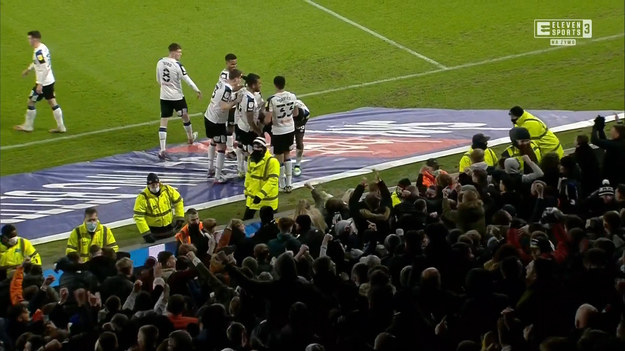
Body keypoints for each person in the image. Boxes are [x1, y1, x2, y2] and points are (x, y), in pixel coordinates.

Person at [155, 43, 202, 160]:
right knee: (185, 116)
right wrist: (197, 90)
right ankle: (190, 138)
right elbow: (187, 79)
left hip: (164, 97)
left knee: (163, 121)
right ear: (174, 52)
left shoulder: (160, 62)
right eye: (179, 52)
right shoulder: (177, 65)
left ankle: (162, 149)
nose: (180, 54)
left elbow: (158, 79)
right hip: (177, 97)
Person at [14, 30, 66, 133]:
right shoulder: (42, 47)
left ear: (35, 39)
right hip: (50, 81)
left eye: (30, 39)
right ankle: (61, 127)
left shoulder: (38, 52)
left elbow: (45, 67)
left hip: (43, 83)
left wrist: (40, 84)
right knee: (52, 101)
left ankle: (28, 126)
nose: (28, 41)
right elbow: (37, 63)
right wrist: (29, 69)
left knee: (31, 101)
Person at [205, 69, 243, 183]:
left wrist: (240, 88)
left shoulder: (222, 83)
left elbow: (230, 90)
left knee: (213, 141)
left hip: (209, 116)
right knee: (222, 148)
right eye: (239, 78)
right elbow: (223, 106)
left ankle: (210, 168)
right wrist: (236, 101)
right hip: (217, 121)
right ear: (235, 79)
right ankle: (217, 177)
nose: (240, 80)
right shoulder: (227, 89)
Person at [264, 76, 299, 193]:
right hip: (290, 129)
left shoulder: (272, 100)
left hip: (278, 131)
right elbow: (296, 113)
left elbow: (268, 120)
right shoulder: (292, 96)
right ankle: (289, 183)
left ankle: (282, 184)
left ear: (275, 85)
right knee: (287, 154)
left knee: (279, 158)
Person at [133, 173, 184, 243]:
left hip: (170, 229)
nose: (154, 186)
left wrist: (180, 217)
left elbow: (178, 201)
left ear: (159, 183)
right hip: (154, 233)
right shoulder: (142, 197)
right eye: (152, 184)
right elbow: (138, 217)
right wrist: (146, 233)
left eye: (156, 183)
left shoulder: (168, 190)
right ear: (148, 185)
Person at [243, 137, 280, 220]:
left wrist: (261, 195)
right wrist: (246, 190)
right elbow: (248, 176)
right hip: (253, 197)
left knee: (271, 223)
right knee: (246, 220)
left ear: (264, 149)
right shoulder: (251, 159)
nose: (256, 152)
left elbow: (273, 181)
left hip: (268, 199)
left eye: (258, 149)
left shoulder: (272, 161)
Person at [235, 73, 264, 178]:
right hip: (247, 129)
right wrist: (257, 130)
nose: (260, 85)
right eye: (259, 84)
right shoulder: (251, 99)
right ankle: (250, 175)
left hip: (240, 124)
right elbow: (250, 119)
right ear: (253, 85)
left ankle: (240, 170)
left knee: (241, 147)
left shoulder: (243, 92)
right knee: (250, 152)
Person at [590, 115, 625, 187]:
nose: (610, 133)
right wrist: (600, 130)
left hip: (614, 178)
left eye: (612, 131)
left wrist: (595, 127)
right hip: (617, 176)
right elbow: (605, 142)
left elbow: (595, 140)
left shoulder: (617, 145)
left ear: (617, 133)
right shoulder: (620, 143)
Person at [219, 53, 240, 161]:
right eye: (232, 64)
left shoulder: (233, 73)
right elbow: (227, 89)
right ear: (227, 63)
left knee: (235, 123)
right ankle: (230, 150)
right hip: (228, 103)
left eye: (235, 64)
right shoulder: (224, 75)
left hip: (233, 102)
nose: (234, 66)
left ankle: (232, 144)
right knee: (230, 125)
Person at [293, 99, 311, 177]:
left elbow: (303, 122)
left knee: (299, 142)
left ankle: (297, 164)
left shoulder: (306, 113)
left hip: (297, 121)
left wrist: (297, 126)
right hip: (287, 121)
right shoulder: (288, 110)